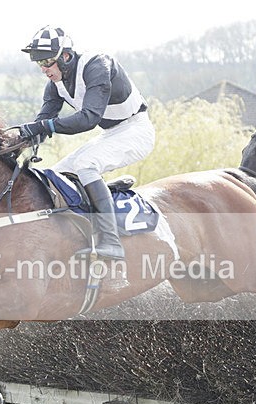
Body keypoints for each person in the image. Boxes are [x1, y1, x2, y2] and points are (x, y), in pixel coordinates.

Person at [18, 26, 155, 261]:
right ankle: (76, 236)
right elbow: (42, 124)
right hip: (112, 134)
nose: (44, 69)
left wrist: (43, 127)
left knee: (86, 164)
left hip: (137, 130)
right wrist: (12, 142)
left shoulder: (97, 66)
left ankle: (111, 242)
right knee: (56, 175)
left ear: (66, 56)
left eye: (48, 62)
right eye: (39, 63)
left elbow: (88, 119)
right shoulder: (54, 84)